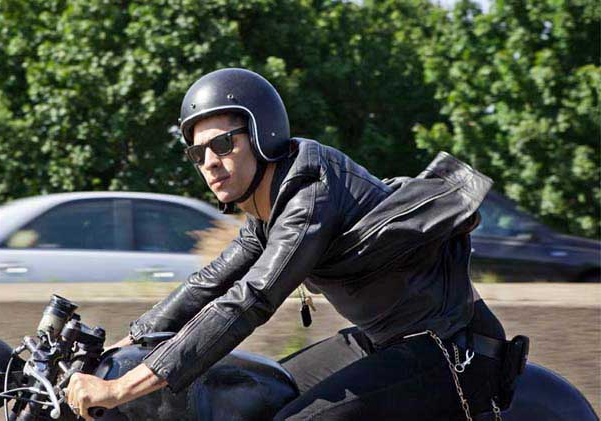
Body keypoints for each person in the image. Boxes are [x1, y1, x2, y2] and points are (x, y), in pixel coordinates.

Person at [64, 67, 509, 420]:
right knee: (262, 393)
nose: (209, 163)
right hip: (380, 339)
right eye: (197, 153)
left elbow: (250, 299)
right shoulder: (268, 206)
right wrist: (122, 348)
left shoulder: (310, 192)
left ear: (262, 134)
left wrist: (123, 387)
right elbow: (210, 284)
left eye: (221, 144)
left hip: (448, 349)